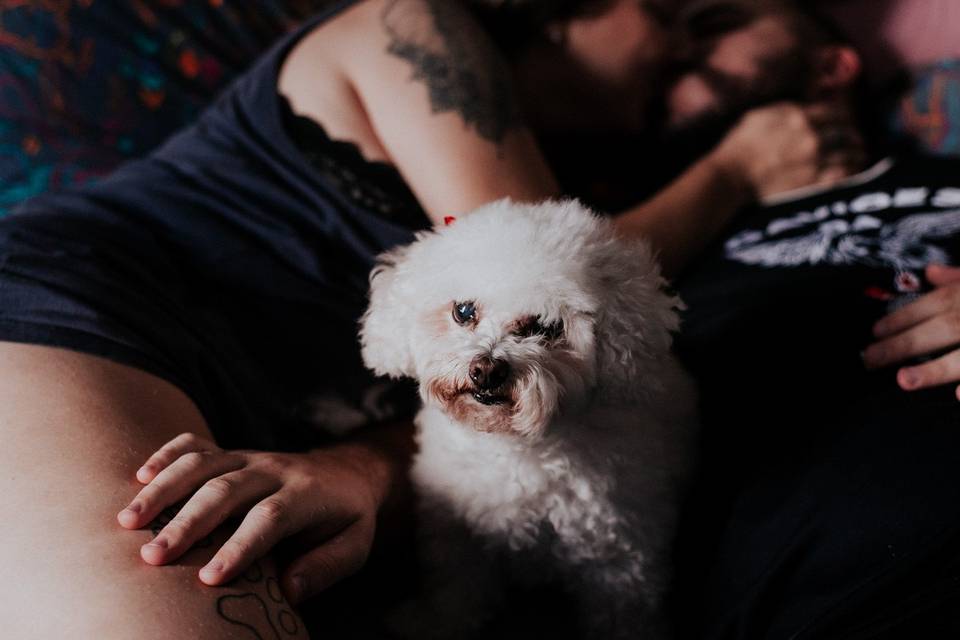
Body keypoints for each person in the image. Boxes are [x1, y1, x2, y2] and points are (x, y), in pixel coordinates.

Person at [0, 0, 856, 636]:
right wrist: (736, 169)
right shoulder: (415, 26)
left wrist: (362, 472)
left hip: (262, 413)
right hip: (83, 308)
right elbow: (550, 273)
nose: (679, 47)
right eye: (670, 14)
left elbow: (528, 371)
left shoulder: (600, 175)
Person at [653, 0, 960, 637]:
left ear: (831, 66)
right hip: (828, 599)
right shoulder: (664, 250)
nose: (675, 47)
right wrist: (728, 173)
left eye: (714, 27)